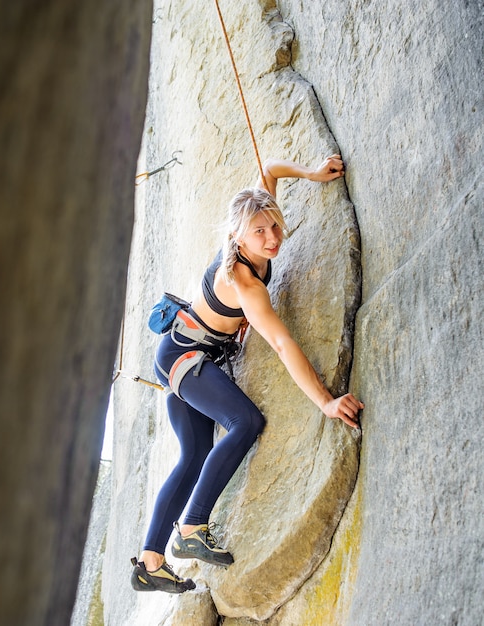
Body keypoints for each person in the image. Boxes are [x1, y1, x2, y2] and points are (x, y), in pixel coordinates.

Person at [130, 155, 364, 593]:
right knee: (246, 422)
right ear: (238, 235)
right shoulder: (243, 282)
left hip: (191, 354)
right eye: (261, 231)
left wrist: (313, 173)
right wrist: (325, 402)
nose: (273, 238)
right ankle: (191, 530)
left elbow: (270, 170)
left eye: (274, 226)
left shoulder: (252, 222)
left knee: (194, 455)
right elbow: (280, 342)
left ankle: (150, 562)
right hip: (184, 357)